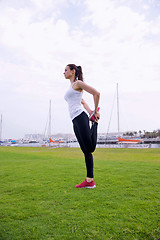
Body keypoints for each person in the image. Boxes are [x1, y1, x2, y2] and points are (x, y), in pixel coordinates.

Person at [64, 64, 100, 188]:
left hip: (80, 117)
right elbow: (82, 101)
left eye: (66, 70)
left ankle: (95, 123)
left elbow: (96, 93)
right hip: (75, 120)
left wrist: (95, 112)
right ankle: (89, 181)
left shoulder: (78, 83)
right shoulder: (72, 87)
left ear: (73, 71)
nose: (63, 72)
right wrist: (90, 111)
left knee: (89, 149)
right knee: (86, 151)